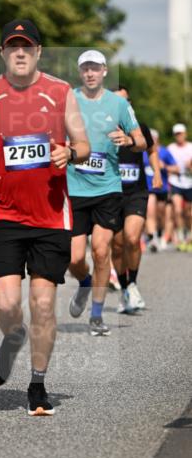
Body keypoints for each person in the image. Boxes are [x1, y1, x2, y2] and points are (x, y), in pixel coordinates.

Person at [0, 19, 90, 417]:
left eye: (27, 46)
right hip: (3, 212)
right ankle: (12, 338)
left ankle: (37, 384)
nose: (20, 52)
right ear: (3, 53)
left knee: (45, 304)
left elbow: (83, 142)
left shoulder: (60, 92)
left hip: (51, 214)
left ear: (38, 52)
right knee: (8, 304)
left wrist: (71, 152)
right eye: (13, 46)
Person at [67, 50, 145, 336]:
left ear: (104, 71)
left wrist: (128, 139)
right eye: (85, 68)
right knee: (74, 258)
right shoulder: (68, 99)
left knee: (101, 251)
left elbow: (141, 141)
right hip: (74, 188)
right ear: (80, 72)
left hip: (107, 188)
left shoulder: (119, 104)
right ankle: (85, 282)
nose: (90, 73)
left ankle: (97, 315)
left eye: (95, 68)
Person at [111, 88, 158, 313]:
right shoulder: (102, 128)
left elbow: (152, 149)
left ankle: (133, 284)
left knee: (131, 238)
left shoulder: (140, 127)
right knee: (117, 246)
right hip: (111, 194)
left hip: (136, 192)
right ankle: (124, 290)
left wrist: (156, 172)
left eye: (126, 100)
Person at [145, 130, 176, 251]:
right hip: (148, 187)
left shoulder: (164, 151)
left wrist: (165, 166)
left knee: (162, 214)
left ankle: (163, 235)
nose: (151, 139)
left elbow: (176, 167)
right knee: (150, 211)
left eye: (153, 137)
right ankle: (153, 238)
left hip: (162, 188)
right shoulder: (141, 151)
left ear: (157, 138)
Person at [168, 123, 192, 249]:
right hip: (175, 181)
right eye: (177, 134)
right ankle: (181, 234)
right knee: (177, 209)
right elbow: (164, 164)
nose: (179, 136)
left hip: (189, 182)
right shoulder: (171, 148)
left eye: (181, 134)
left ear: (185, 134)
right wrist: (172, 168)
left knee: (189, 212)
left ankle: (189, 233)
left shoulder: (191, 147)